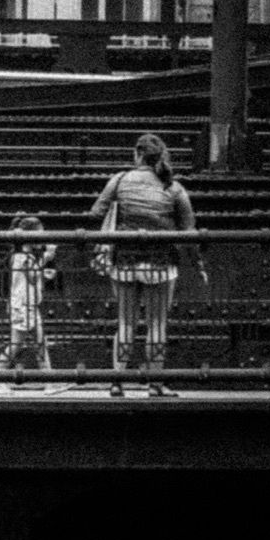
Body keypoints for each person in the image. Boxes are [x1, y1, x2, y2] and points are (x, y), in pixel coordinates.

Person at [90, 132, 205, 390]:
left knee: (126, 322)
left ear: (136, 154)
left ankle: (117, 382)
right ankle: (155, 384)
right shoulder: (173, 187)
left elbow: (96, 212)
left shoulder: (119, 179)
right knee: (157, 324)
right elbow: (189, 230)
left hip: (125, 261)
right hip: (161, 264)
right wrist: (198, 264)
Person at [0, 214, 56, 371]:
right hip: (23, 306)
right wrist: (47, 257)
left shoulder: (23, 255)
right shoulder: (23, 257)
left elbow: (31, 276)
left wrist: (42, 270)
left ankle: (50, 380)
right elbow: (33, 277)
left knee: (41, 343)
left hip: (28, 304)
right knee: (16, 345)